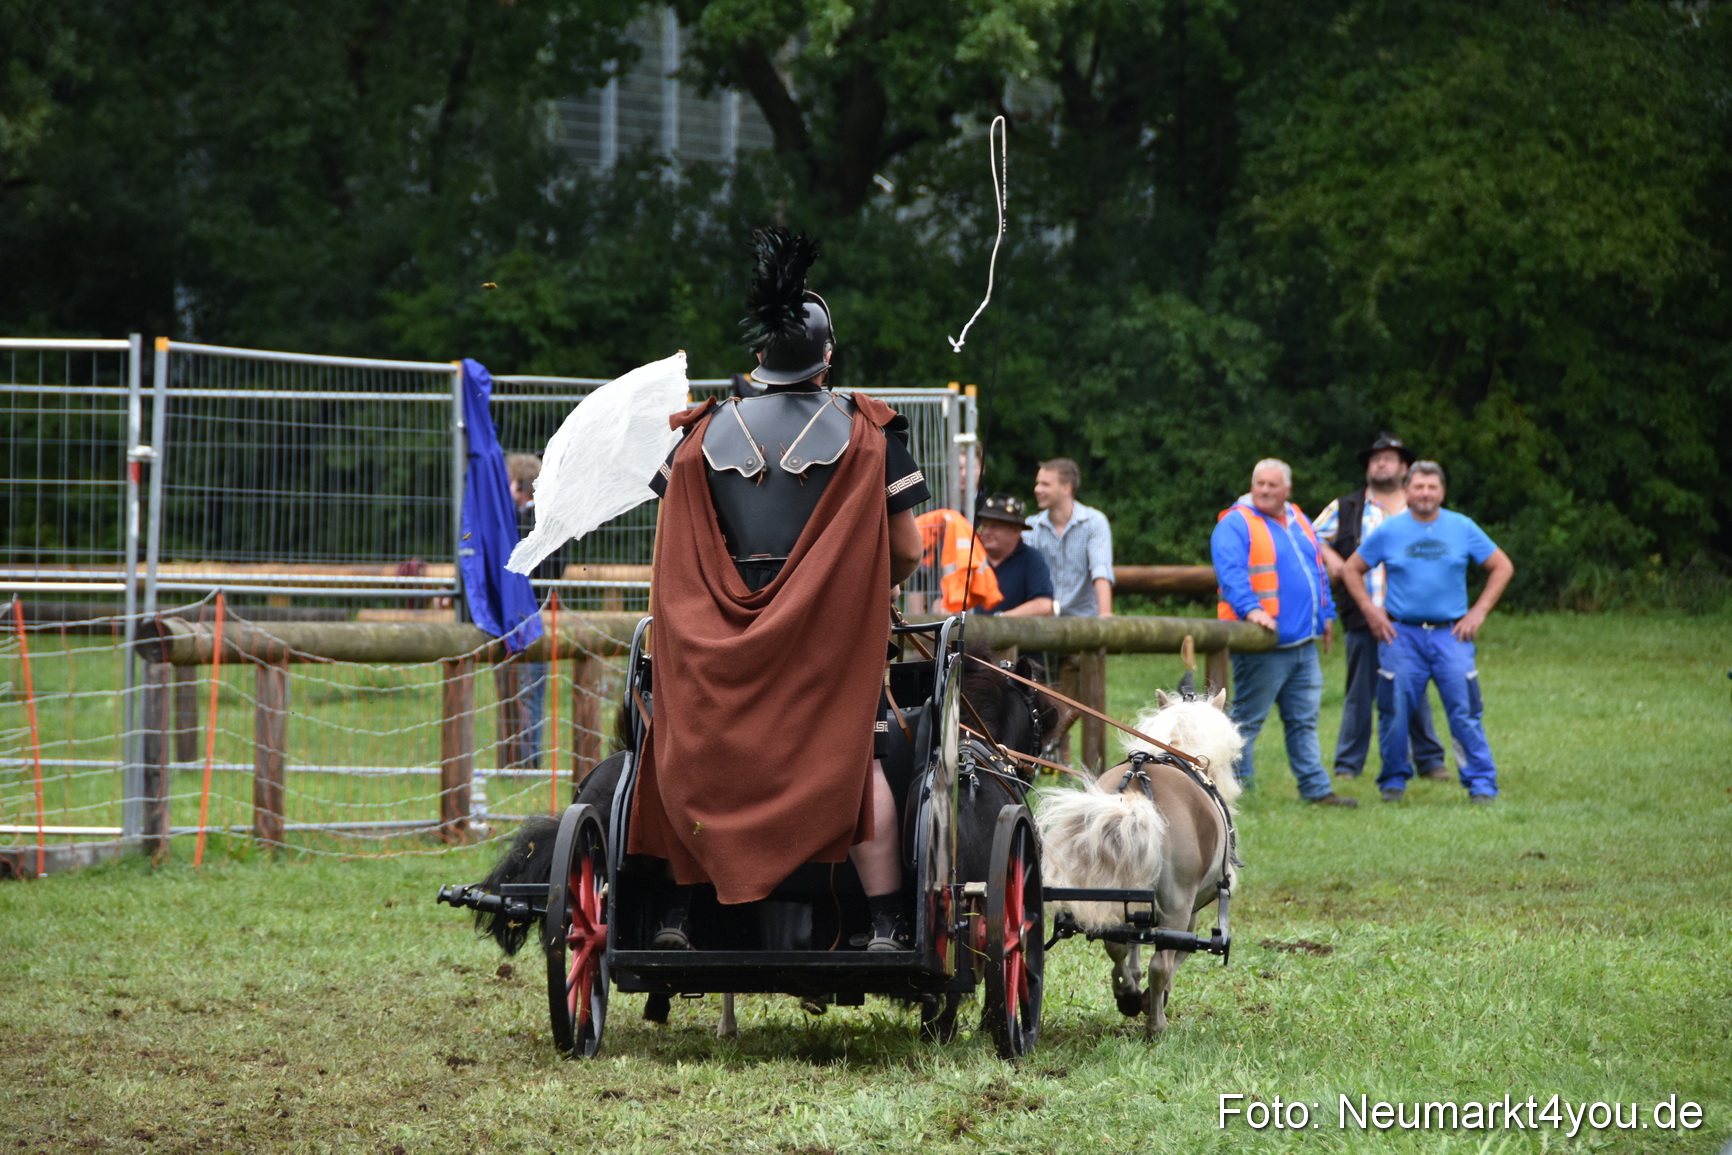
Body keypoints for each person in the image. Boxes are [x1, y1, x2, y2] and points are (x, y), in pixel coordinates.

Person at [634, 226, 929, 950]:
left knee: (679, 746)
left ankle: (675, 912)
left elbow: (673, 549)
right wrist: (846, 596)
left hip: (713, 650)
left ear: (758, 355)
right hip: (822, 650)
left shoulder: (699, 436)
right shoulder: (867, 434)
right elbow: (907, 550)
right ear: (828, 357)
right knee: (855, 762)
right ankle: (888, 922)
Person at [1343, 461, 1514, 803]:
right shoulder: (1391, 531)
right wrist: (1371, 613)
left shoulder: (1461, 527)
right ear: (1407, 490)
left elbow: (1502, 566)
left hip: (1450, 635)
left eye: (1431, 487)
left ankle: (1481, 784)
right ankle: (1393, 781)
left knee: (1464, 709)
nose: (1424, 493)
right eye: (1418, 487)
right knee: (1394, 710)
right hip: (1401, 635)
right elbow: (1351, 569)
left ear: (1442, 492)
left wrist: (1478, 612)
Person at [1210, 459, 1357, 807]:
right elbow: (1231, 574)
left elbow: (1317, 571)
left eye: (1272, 485)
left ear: (1287, 489)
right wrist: (1253, 610)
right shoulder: (1236, 522)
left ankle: (1316, 790)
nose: (1263, 490)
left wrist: (1327, 615)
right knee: (1246, 722)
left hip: (1303, 644)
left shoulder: (1299, 519)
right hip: (1263, 642)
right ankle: (1238, 791)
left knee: (1304, 720)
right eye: (1259, 483)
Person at [1313, 433, 1447, 781]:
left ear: (1404, 468)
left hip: (1414, 617)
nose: (1380, 463)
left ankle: (1431, 763)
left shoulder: (1421, 507)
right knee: (1360, 692)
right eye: (1375, 459)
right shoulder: (1347, 507)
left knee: (1415, 690)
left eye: (1389, 458)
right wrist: (1336, 563)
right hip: (1363, 613)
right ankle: (1347, 765)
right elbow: (1308, 538)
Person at [1023, 458, 1113, 762]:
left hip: (1081, 621)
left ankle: (1062, 749)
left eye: (1045, 483)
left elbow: (1100, 570)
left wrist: (1105, 618)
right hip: (1043, 624)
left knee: (1078, 691)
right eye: (1037, 483)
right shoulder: (1032, 526)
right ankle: (1051, 749)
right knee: (1039, 687)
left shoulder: (1093, 522)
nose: (1037, 489)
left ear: (1066, 487)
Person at [504, 452, 549, 769]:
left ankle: (524, 761)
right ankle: (525, 759)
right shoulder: (545, 518)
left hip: (523, 614)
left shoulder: (518, 521)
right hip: (535, 612)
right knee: (530, 691)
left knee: (525, 691)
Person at [973, 494, 1054, 617]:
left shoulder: (1031, 560)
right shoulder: (972, 558)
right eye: (984, 526)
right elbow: (941, 599)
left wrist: (1001, 620)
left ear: (1016, 530)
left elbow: (1044, 605)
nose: (986, 532)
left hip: (1016, 636)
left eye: (994, 527)